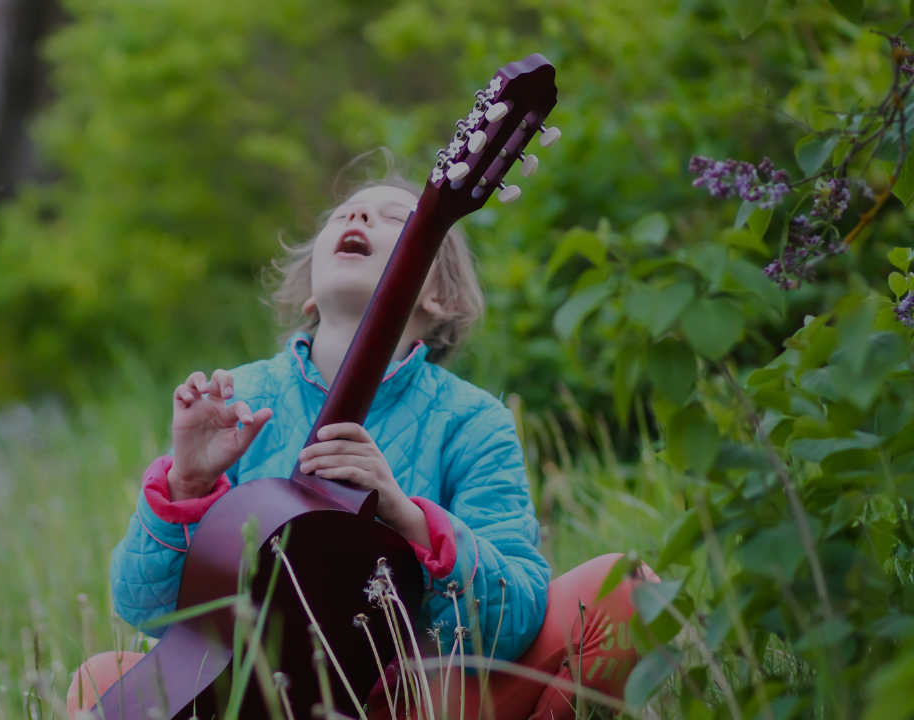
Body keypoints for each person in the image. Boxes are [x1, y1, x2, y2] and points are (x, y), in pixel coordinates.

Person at [70, 157, 655, 720]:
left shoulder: (473, 422)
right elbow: (148, 611)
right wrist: (187, 483)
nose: (358, 219)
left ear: (438, 297)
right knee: (102, 683)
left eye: (397, 220)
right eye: (344, 214)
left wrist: (409, 518)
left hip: (418, 701)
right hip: (261, 700)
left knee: (625, 590)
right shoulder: (238, 401)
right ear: (308, 291)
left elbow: (517, 620)